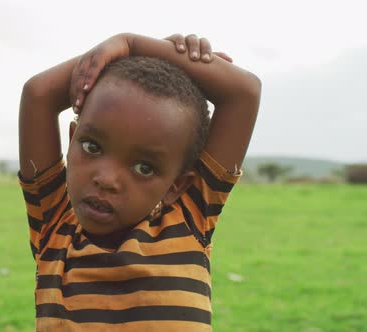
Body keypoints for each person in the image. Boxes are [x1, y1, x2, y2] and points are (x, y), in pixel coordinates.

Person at [18, 32, 261, 331]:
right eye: (92, 147)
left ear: (175, 186)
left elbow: (244, 92)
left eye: (144, 167)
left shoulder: (188, 218)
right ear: (72, 141)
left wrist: (131, 44)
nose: (106, 179)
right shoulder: (54, 227)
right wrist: (139, 55)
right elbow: (37, 95)